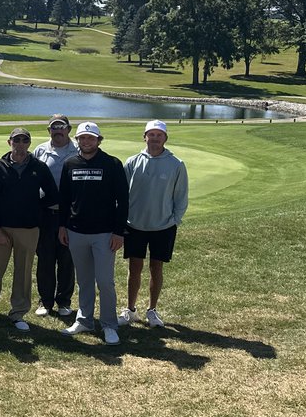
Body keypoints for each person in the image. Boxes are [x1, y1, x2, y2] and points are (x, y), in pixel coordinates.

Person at [59, 122, 130, 345]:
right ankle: (85, 319)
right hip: (76, 232)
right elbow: (64, 199)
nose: (86, 142)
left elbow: (123, 201)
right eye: (82, 138)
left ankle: (109, 324)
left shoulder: (112, 164)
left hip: (104, 233)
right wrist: (62, 226)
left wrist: (119, 232)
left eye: (91, 138)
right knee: (84, 280)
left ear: (99, 141)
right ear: (77, 140)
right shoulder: (70, 163)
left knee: (105, 281)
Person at [0, 128, 58, 332]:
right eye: (17, 140)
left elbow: (53, 194)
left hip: (28, 229)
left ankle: (18, 313)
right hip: (1, 229)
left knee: (23, 272)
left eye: (25, 140)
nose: (21, 144)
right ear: (10, 142)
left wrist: (36, 208)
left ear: (29, 143)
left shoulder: (38, 167)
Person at [121, 120, 189, 329]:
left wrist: (174, 220)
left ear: (165, 138)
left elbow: (181, 197)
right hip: (135, 225)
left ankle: (152, 310)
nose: (155, 138)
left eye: (159, 135)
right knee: (135, 268)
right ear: (145, 137)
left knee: (156, 268)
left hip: (163, 227)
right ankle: (130, 309)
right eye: (151, 134)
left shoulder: (176, 164)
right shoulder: (132, 162)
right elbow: (122, 195)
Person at [33, 114, 79, 318]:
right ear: (48, 130)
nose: (58, 130)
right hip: (45, 214)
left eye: (62, 127)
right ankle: (45, 300)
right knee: (45, 258)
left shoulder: (78, 150)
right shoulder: (40, 150)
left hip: (70, 215)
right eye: (54, 127)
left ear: (69, 129)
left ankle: (64, 301)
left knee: (67, 259)